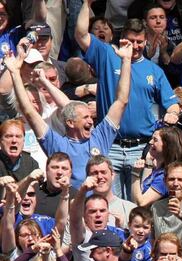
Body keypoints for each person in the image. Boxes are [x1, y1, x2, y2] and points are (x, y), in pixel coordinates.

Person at [75, 2, 180, 200]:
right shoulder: (106, 55)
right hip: (110, 145)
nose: (136, 46)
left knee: (137, 207)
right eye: (131, 41)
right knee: (108, 205)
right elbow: (81, 34)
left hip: (141, 149)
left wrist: (173, 112)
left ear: (146, 40)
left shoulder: (154, 71)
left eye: (140, 41)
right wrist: (86, 4)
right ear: (121, 39)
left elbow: (172, 103)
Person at [5, 39, 133, 189]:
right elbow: (29, 111)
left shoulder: (100, 136)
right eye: (85, 117)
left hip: (99, 208)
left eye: (90, 117)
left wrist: (126, 60)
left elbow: (122, 101)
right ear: (70, 123)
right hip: (70, 206)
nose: (91, 121)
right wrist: (14, 72)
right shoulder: (57, 144)